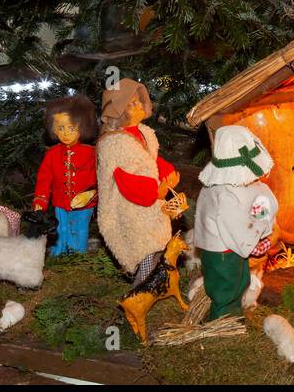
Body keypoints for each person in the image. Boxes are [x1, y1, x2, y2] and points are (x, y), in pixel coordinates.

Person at [96, 79, 182, 280]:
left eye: (138, 102)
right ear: (119, 112)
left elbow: (150, 159)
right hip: (132, 209)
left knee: (159, 246)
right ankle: (141, 289)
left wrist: (167, 172)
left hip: (152, 205)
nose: (139, 106)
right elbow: (127, 179)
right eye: (131, 104)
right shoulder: (115, 143)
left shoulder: (144, 133)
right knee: (145, 250)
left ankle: (157, 285)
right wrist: (155, 192)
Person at [193, 124, 278, 319]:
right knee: (226, 284)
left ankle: (234, 313)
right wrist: (254, 239)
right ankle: (223, 319)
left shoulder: (228, 188)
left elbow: (255, 205)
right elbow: (235, 226)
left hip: (231, 247)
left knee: (240, 280)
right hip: (222, 250)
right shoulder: (225, 194)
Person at [33, 95, 99, 256]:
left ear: (83, 127)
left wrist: (91, 194)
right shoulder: (52, 154)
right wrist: (41, 199)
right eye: (60, 128)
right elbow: (44, 178)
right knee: (60, 228)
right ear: (53, 129)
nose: (66, 133)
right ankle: (59, 252)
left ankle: (77, 255)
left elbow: (100, 178)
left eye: (72, 128)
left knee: (80, 229)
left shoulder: (92, 153)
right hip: (60, 202)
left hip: (84, 203)